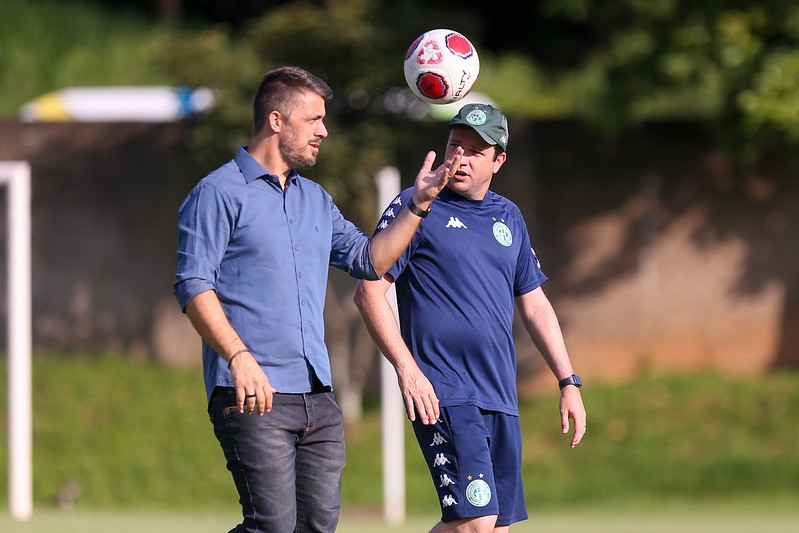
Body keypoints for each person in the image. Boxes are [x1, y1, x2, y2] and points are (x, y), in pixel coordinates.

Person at [173, 66, 461, 533]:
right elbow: (193, 286)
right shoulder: (217, 193)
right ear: (276, 121)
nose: (324, 131)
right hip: (252, 392)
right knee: (273, 526)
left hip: (318, 400)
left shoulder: (315, 199)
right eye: (314, 120)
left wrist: (418, 205)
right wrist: (238, 356)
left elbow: (371, 260)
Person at [354, 103, 587, 532]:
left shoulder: (508, 217)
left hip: (498, 394)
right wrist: (407, 369)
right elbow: (369, 290)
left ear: (499, 161)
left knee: (495, 528)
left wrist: (567, 381)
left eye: (476, 151)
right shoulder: (417, 205)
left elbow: (535, 304)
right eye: (455, 145)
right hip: (442, 389)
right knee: (475, 522)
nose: (460, 158)